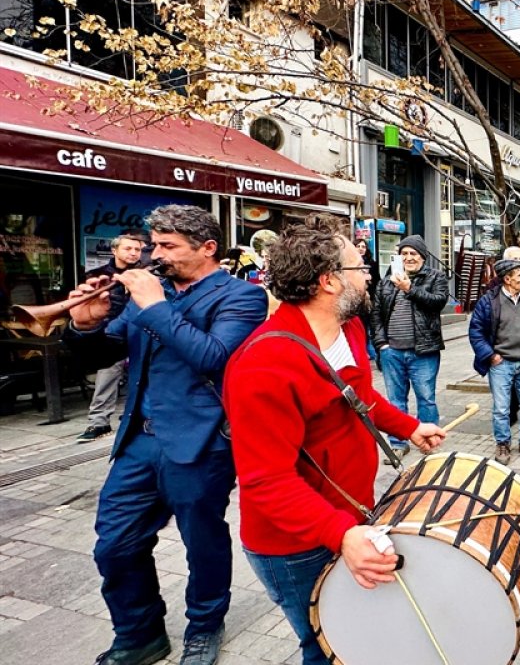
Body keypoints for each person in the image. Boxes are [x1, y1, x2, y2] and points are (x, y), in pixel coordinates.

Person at [224, 219, 447, 665]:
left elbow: (360, 399)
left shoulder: (349, 330)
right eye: (359, 266)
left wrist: (408, 426)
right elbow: (266, 482)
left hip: (346, 519)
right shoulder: (263, 365)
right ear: (328, 281)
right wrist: (341, 533)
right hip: (294, 547)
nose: (369, 274)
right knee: (328, 649)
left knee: (360, 638)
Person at [66, 205, 268, 665]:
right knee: (115, 544)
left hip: (200, 443)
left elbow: (214, 357)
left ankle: (204, 626)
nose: (156, 254)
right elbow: (106, 351)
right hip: (139, 440)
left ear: (208, 248)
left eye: (168, 246)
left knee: (203, 544)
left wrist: (155, 305)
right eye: (154, 244)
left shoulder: (240, 297)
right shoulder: (152, 295)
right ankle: (139, 634)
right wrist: (87, 323)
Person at [371, 234, 449, 458]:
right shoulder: (387, 281)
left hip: (423, 351)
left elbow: (437, 302)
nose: (408, 257)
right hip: (391, 352)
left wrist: (409, 289)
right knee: (396, 400)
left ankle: (429, 440)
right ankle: (398, 442)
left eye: (413, 253)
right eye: (404, 253)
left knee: (426, 397)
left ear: (422, 256)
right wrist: (381, 344)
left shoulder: (435, 277)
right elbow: (376, 314)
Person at [470, 258, 520, 464]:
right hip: (501, 363)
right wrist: (491, 356)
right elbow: (476, 332)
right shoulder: (489, 301)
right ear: (507, 279)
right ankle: (503, 444)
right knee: (502, 408)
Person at [78, 230, 147, 443]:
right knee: (106, 376)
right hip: (113, 333)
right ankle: (99, 422)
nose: (133, 253)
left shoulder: (148, 274)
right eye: (128, 248)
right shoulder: (98, 275)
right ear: (114, 250)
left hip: (143, 331)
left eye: (137, 249)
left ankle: (139, 413)